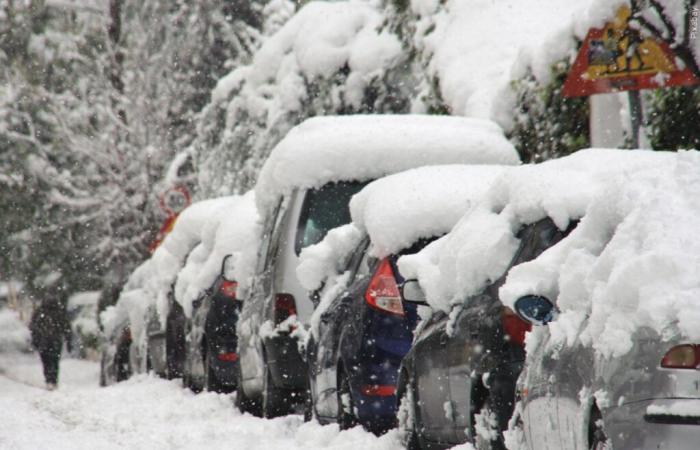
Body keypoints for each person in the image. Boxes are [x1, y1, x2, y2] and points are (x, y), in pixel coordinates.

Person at [29, 297, 72, 390]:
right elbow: (66, 327)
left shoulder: (40, 312)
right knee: (54, 361)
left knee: (46, 361)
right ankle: (53, 379)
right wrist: (68, 340)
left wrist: (35, 340)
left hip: (44, 341)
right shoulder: (59, 312)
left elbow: (33, 327)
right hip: (55, 341)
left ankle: (49, 379)